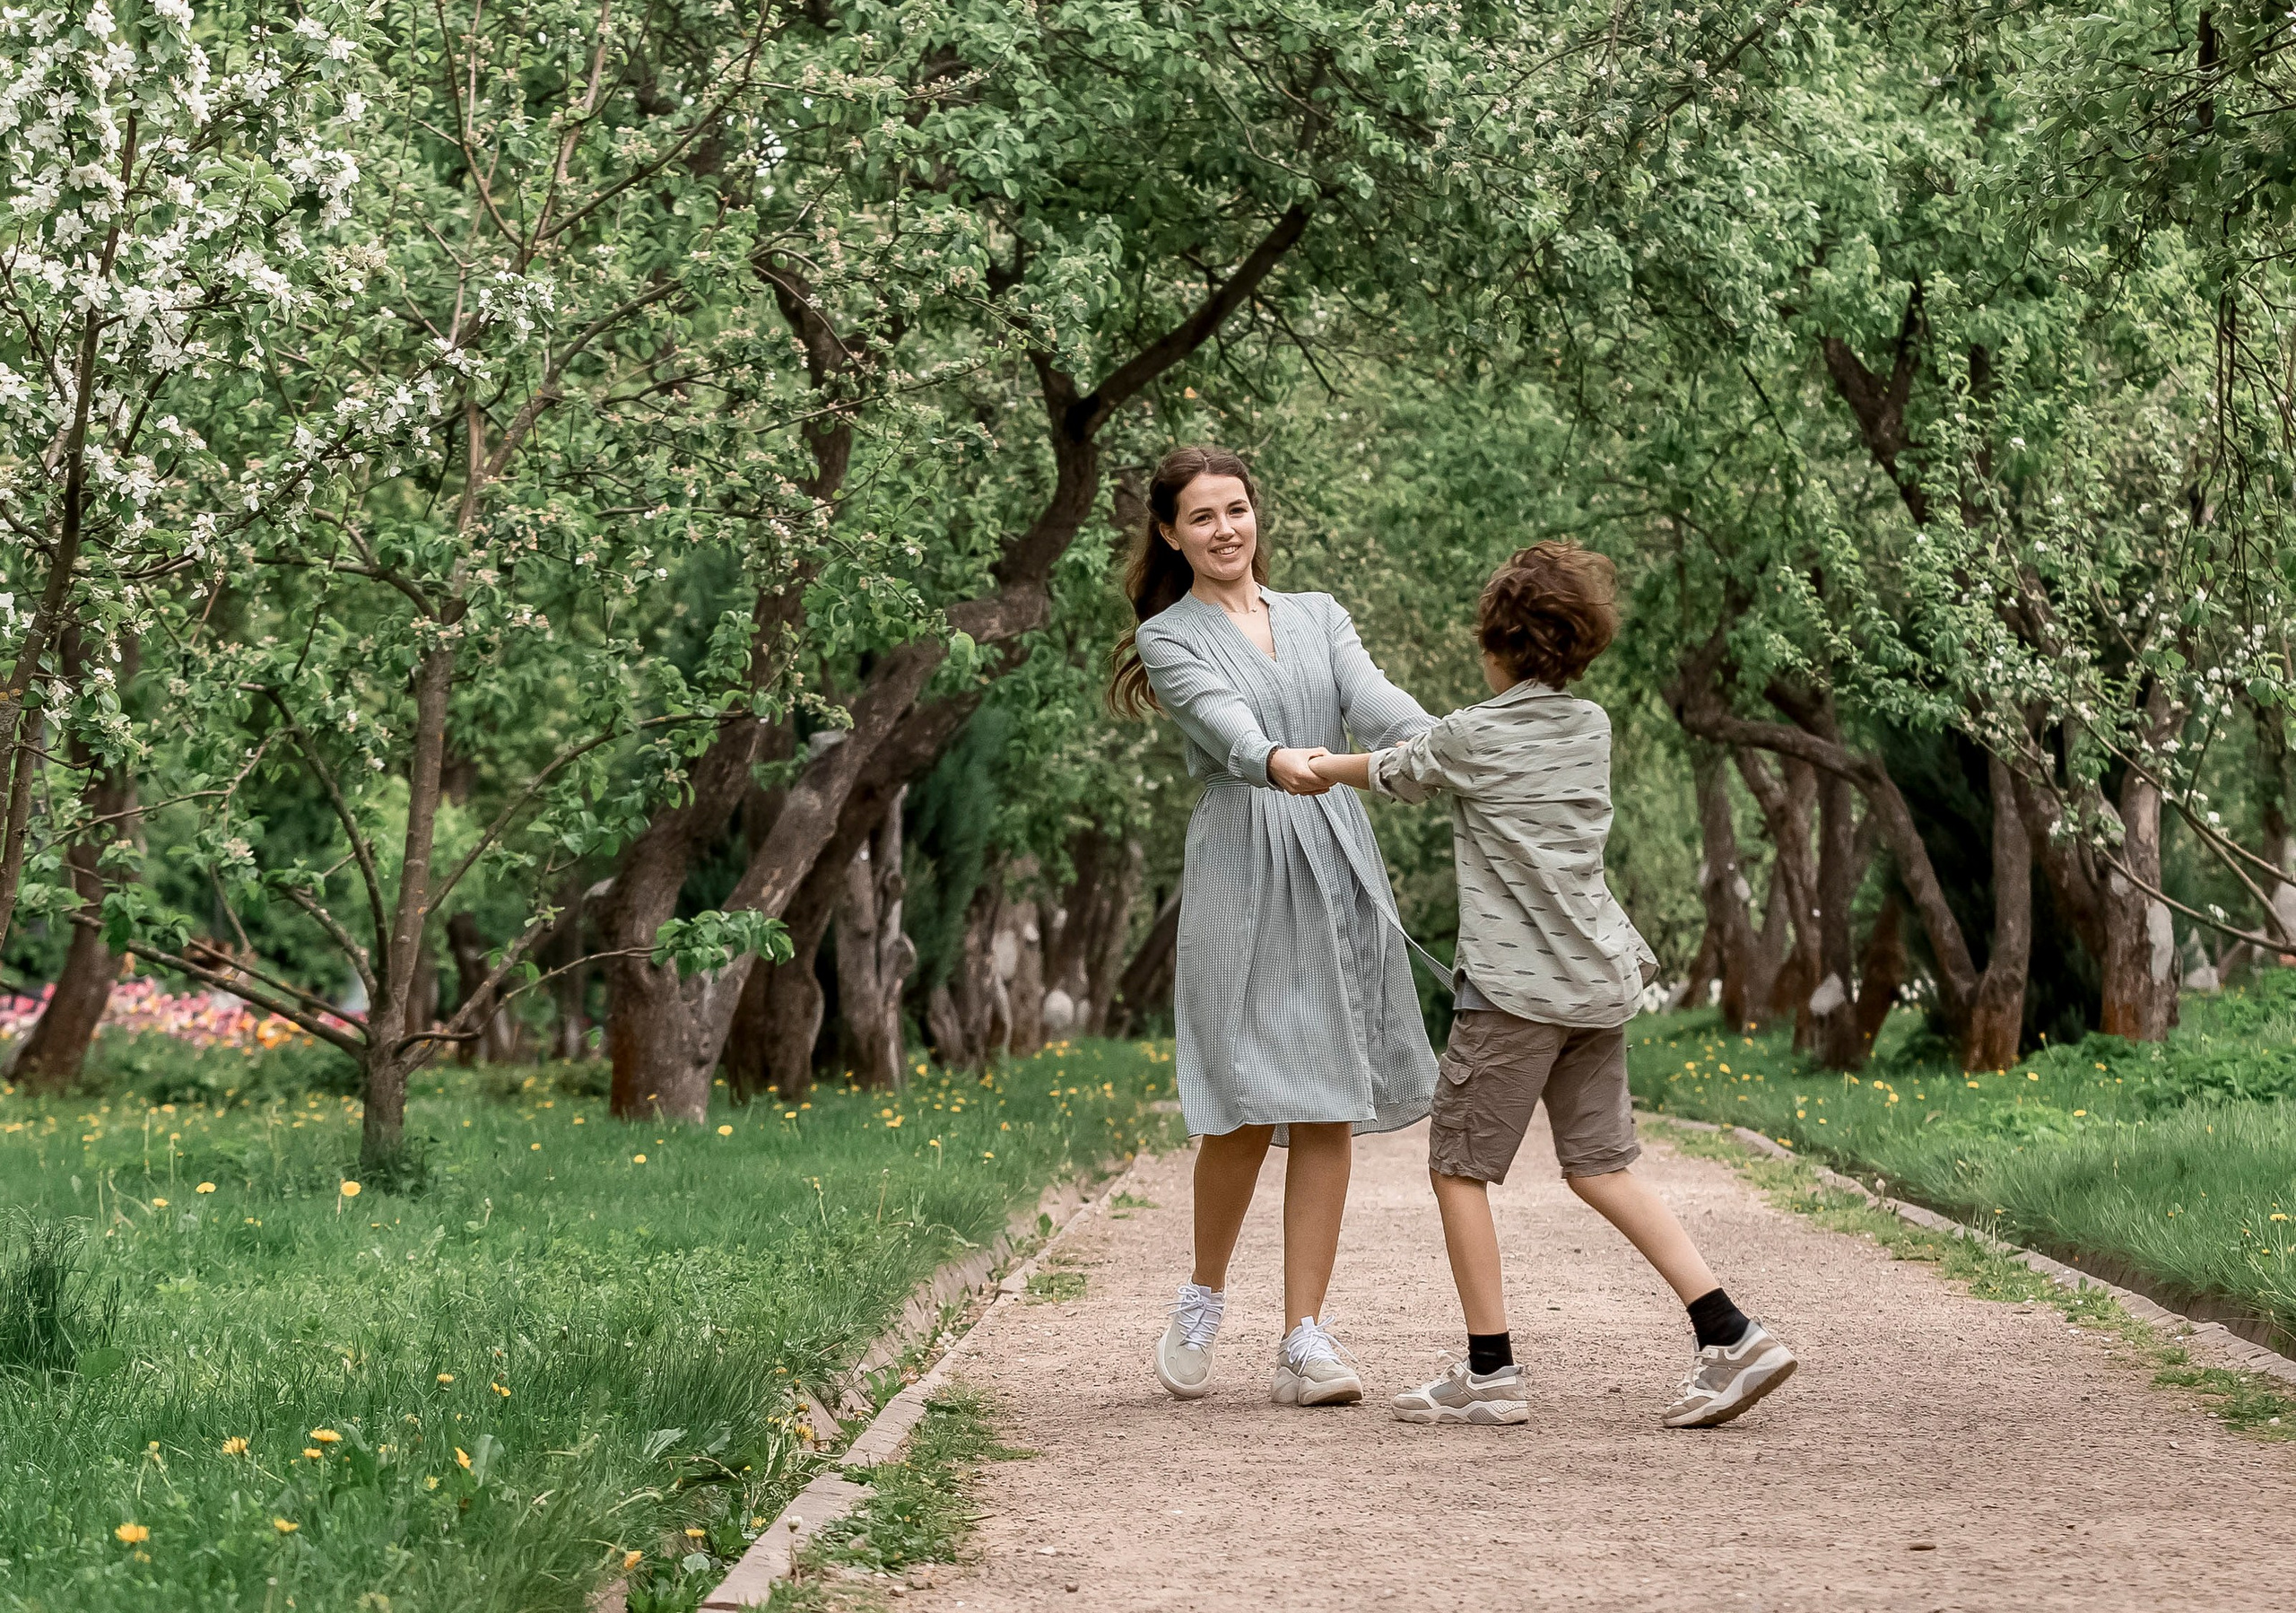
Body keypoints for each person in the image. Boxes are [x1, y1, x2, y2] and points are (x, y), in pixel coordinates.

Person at [1309, 540, 1797, 1429]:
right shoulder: (1589, 727)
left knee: (1458, 1168)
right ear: (1576, 646)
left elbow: (1395, 768)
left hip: (1511, 995)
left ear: (1495, 643)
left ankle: (1489, 1371)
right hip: (1594, 983)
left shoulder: (1471, 736)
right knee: (1602, 1167)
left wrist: (1316, 766)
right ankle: (1727, 1331)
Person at [1109, 444, 1437, 1408]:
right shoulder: (1169, 637)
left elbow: (1374, 702)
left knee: (1328, 1092)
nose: (1225, 530)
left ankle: (1304, 1338)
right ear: (1170, 533)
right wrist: (1278, 757)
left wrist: (1439, 742)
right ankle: (1205, 1293)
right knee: (1249, 1093)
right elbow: (1221, 723)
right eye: (1202, 517)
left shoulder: (1317, 614)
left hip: (1331, 849)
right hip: (1243, 857)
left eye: (1237, 510)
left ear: (1258, 516)